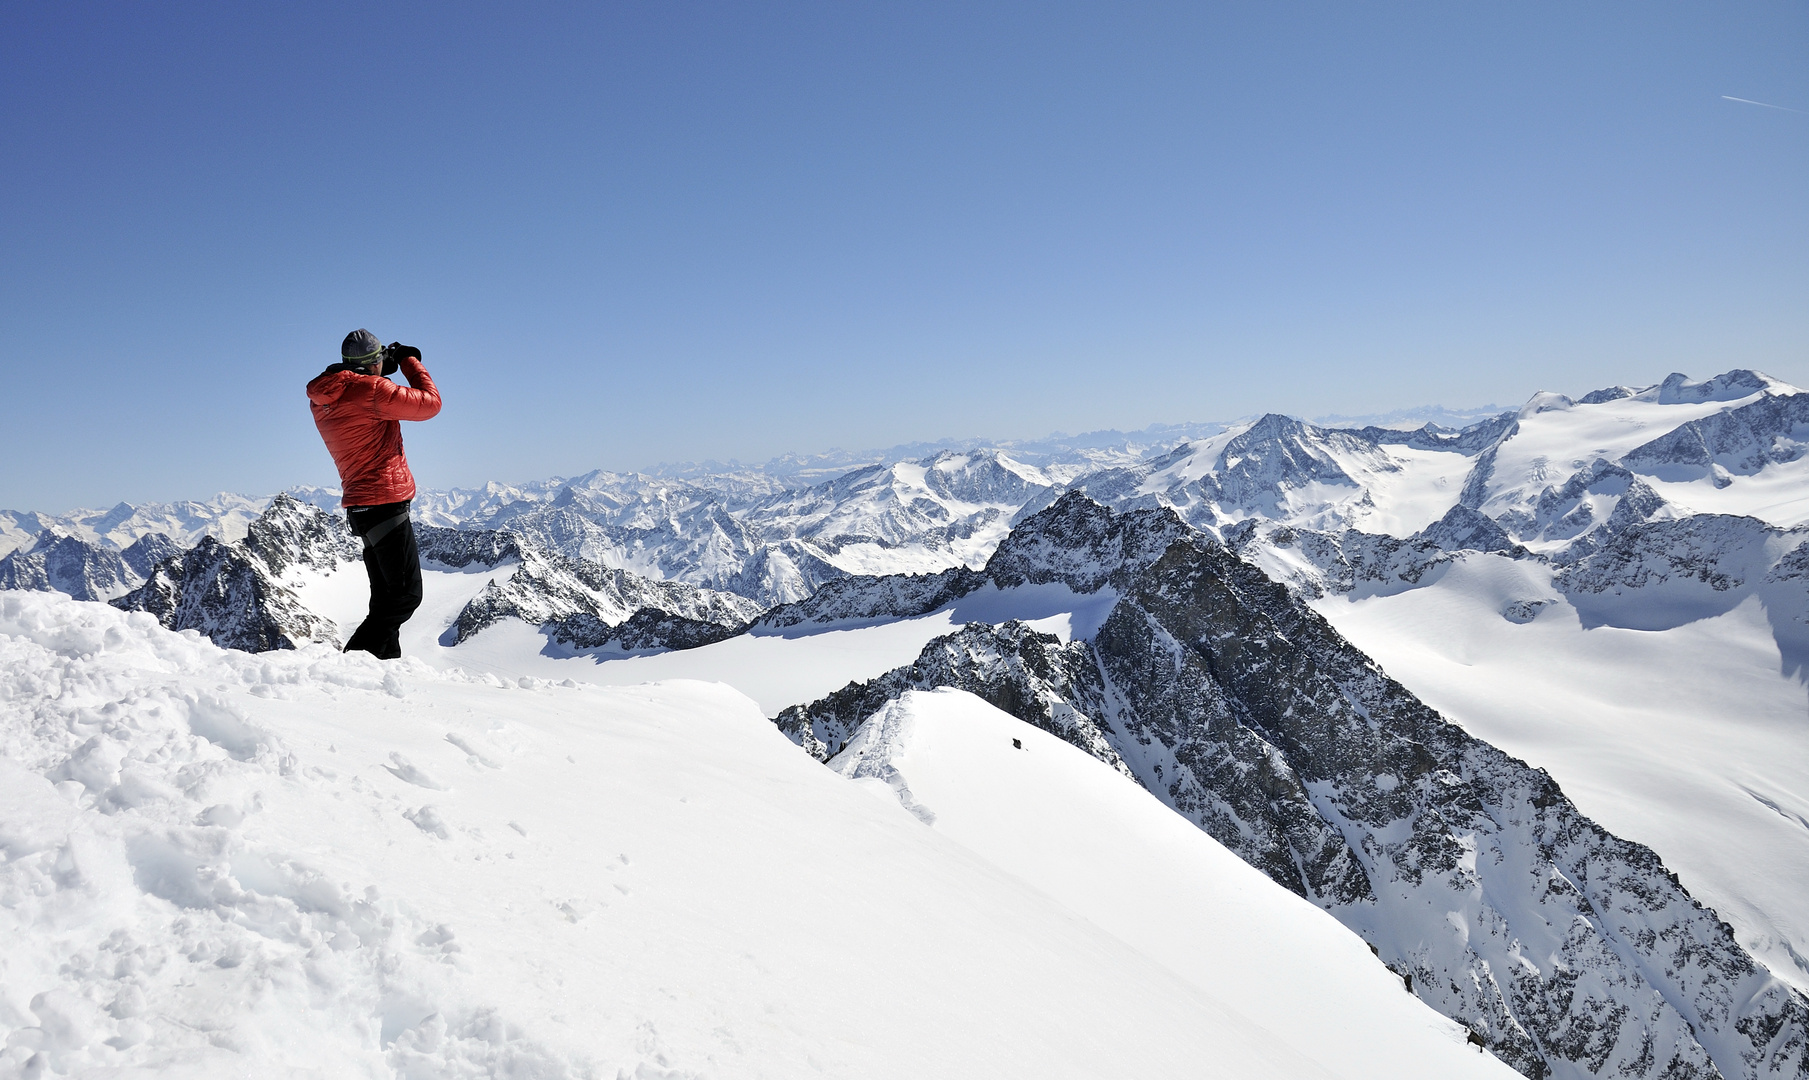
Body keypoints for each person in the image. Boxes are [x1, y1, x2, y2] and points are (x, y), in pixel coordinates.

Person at [307, 329, 442, 658]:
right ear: (371, 365)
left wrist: (379, 370)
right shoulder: (370, 390)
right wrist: (409, 361)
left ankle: (382, 669)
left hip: (362, 507)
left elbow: (359, 388)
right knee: (405, 597)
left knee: (385, 600)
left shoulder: (325, 395)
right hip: (385, 501)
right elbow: (430, 404)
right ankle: (350, 664)